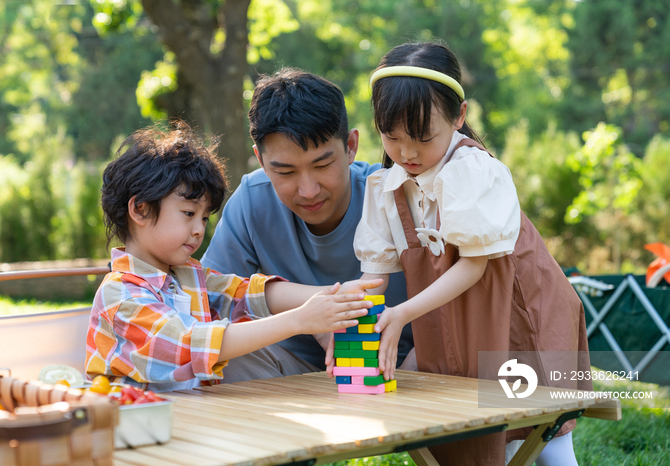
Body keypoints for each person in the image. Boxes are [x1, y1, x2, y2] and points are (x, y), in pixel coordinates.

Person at [353, 42, 592, 465]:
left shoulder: (473, 170)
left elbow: (474, 267)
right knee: (474, 436)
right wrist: (352, 326)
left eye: (422, 137)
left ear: (459, 116)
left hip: (517, 310)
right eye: (392, 137)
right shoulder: (385, 188)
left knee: (544, 437)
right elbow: (373, 277)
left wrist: (403, 313)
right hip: (452, 320)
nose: (407, 153)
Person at [85, 122, 381, 392]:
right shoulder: (121, 295)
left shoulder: (188, 276)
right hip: (138, 431)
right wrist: (300, 320)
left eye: (203, 219)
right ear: (140, 210)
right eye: (188, 214)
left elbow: (246, 294)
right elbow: (189, 344)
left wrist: (333, 296)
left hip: (191, 424)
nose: (198, 230)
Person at [202, 68, 414, 376]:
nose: (308, 190)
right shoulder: (252, 199)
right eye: (285, 172)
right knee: (217, 356)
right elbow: (208, 296)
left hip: (402, 368)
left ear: (351, 147)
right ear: (261, 161)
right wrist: (309, 316)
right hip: (288, 370)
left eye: (323, 164)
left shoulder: (395, 195)